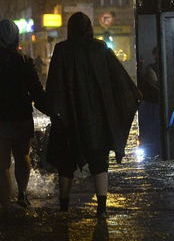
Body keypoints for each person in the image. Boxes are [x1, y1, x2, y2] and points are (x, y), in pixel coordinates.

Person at [45, 12, 141, 218]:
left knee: (65, 165)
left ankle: (63, 209)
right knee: (99, 164)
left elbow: (53, 87)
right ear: (89, 28)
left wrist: (54, 112)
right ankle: (102, 209)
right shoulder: (100, 48)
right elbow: (119, 80)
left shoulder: (61, 50)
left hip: (68, 121)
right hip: (95, 121)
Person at [0, 19, 53, 212]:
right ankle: (22, 195)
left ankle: (5, 205)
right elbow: (37, 93)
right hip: (21, 116)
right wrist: (53, 112)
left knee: (3, 163)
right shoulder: (25, 61)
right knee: (23, 155)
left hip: (1, 118)